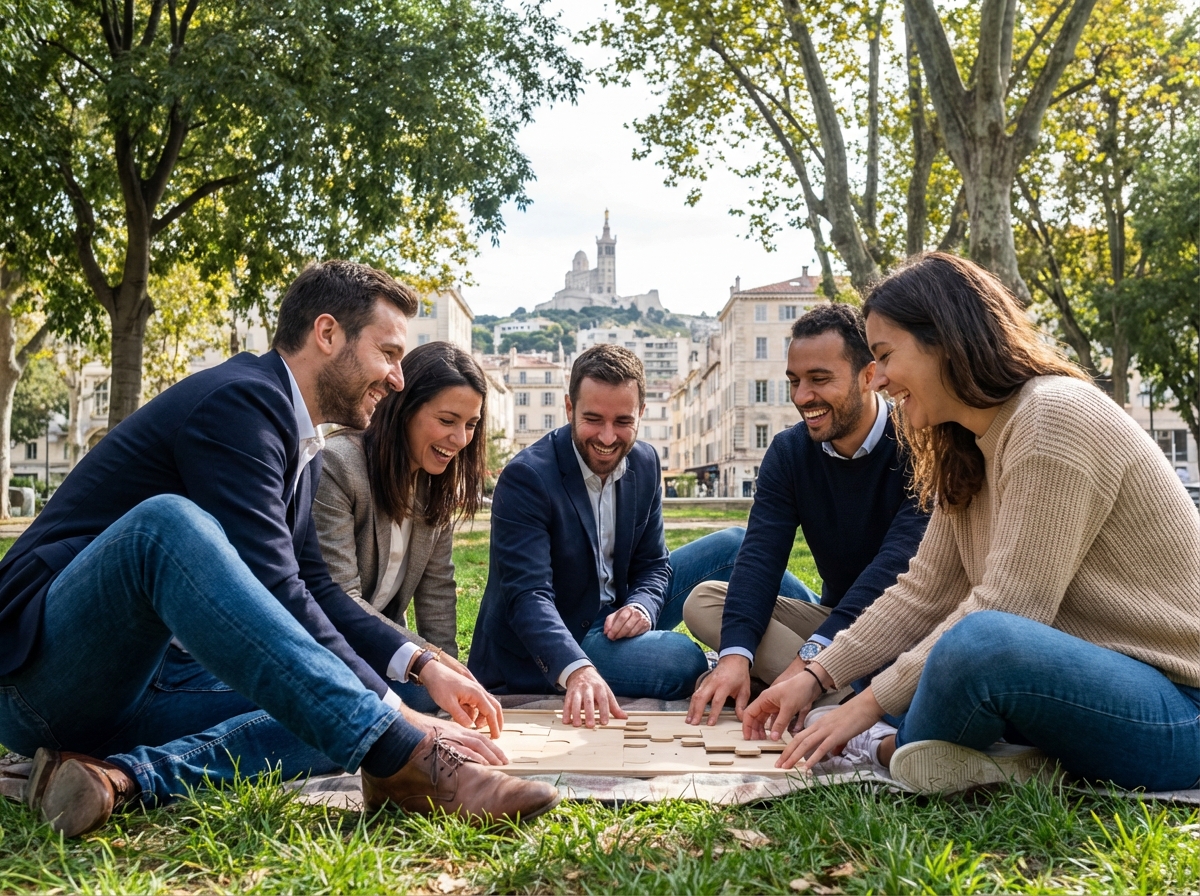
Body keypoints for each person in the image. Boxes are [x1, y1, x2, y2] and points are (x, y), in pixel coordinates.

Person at [0, 261, 558, 837]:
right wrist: (400, 722)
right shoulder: (239, 402)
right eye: (389, 354)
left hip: (148, 687)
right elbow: (276, 587)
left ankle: (118, 779)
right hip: (41, 679)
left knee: (352, 701)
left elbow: (315, 587)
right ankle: (410, 764)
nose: (397, 379)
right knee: (166, 525)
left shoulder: (302, 444)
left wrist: (421, 665)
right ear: (327, 333)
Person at [746, 252, 1200, 794]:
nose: (880, 378)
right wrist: (814, 675)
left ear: (944, 340)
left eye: (885, 356)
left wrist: (860, 708)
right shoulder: (966, 448)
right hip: (1080, 687)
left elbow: (1011, 606)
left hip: (1178, 709)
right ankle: (988, 756)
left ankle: (888, 745)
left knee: (978, 640)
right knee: (938, 651)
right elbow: (921, 593)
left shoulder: (1052, 417)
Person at [684, 303, 928, 726]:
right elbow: (760, 556)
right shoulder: (789, 451)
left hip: (906, 625)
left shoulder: (919, 443)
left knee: (880, 651)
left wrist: (807, 663)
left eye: (819, 379)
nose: (801, 397)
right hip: (834, 619)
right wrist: (734, 658)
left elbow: (893, 572)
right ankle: (847, 701)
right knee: (704, 602)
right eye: (794, 381)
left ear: (869, 376)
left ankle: (825, 696)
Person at [469, 345, 736, 726]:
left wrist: (642, 606)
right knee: (682, 659)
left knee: (734, 545)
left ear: (641, 413)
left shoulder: (645, 462)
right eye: (593, 419)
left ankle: (816, 648)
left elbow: (654, 564)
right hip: (561, 637)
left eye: (623, 421)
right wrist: (577, 670)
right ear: (569, 408)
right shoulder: (527, 477)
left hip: (618, 612)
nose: (608, 438)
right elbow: (527, 596)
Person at [314, 341, 487, 713]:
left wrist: (452, 688)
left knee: (439, 698)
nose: (460, 439)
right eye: (447, 421)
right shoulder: (338, 466)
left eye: (470, 425)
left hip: (383, 655)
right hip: (324, 649)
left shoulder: (435, 484)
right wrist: (429, 661)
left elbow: (437, 592)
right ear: (404, 408)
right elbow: (338, 597)